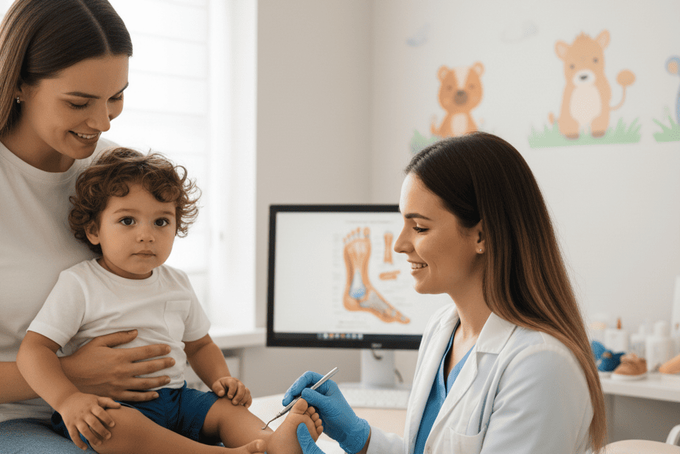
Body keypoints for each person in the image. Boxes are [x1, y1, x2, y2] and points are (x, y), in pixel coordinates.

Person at [0, 1, 241, 452]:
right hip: (19, 418)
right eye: (78, 102)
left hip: (144, 404)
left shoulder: (110, 171)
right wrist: (71, 373)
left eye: (116, 96)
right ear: (18, 84)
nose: (103, 121)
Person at [283, 132, 607, 454]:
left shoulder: (540, 365)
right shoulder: (443, 330)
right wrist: (359, 437)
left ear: (482, 235)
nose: (399, 245)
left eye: (420, 227)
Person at [16, 147, 324, 454]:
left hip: (178, 398)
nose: (146, 235)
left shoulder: (177, 282)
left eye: (161, 222)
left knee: (227, 412)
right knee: (111, 426)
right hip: (113, 404)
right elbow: (34, 350)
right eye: (127, 221)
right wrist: (68, 399)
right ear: (94, 230)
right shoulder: (80, 283)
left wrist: (223, 379)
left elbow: (200, 345)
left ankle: (274, 443)